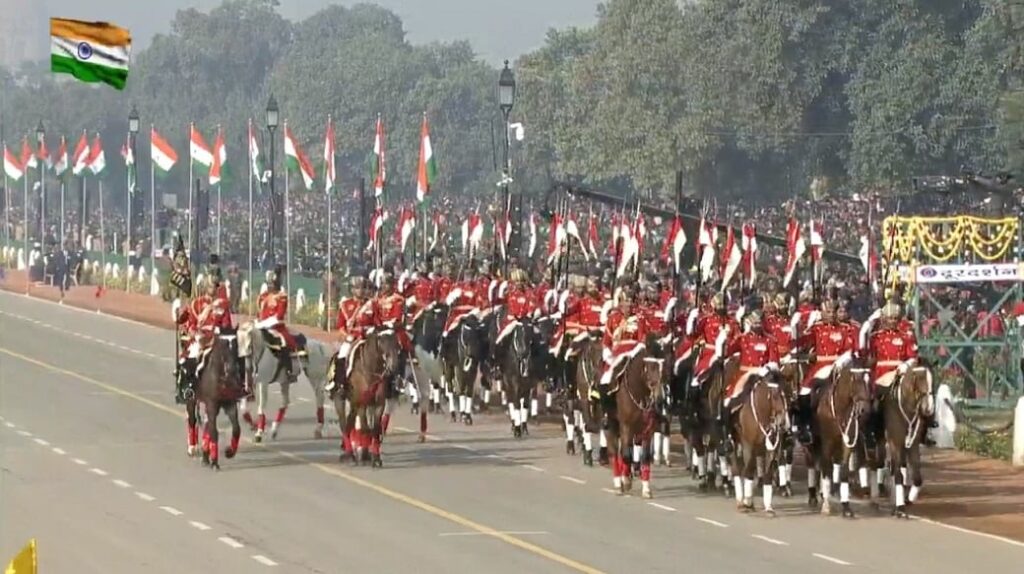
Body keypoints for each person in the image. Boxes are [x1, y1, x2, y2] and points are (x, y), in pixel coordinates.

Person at [794, 299, 856, 443]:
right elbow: (802, 341)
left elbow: (849, 350)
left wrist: (840, 362)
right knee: (804, 392)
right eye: (828, 312)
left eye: (834, 312)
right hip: (821, 365)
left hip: (840, 365)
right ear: (822, 313)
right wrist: (797, 326)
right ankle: (806, 426)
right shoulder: (817, 328)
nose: (832, 315)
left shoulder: (845, 328)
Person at [719, 311, 780, 450]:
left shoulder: (769, 339)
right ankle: (727, 435)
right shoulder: (743, 338)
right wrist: (724, 339)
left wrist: (768, 367)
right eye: (755, 322)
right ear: (750, 323)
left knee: (780, 397)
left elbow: (775, 360)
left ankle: (785, 430)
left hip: (764, 374)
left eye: (759, 322)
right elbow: (727, 352)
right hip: (745, 373)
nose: (757, 325)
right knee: (728, 401)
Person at [326, 277, 379, 395]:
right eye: (358, 288)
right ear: (352, 290)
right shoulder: (345, 304)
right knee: (342, 354)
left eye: (363, 287)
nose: (361, 290)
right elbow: (340, 326)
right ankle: (338, 383)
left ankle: (390, 384)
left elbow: (376, 323)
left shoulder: (371, 304)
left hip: (368, 337)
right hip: (352, 338)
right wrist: (347, 335)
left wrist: (370, 330)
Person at [255, 264, 306, 382]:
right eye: (268, 284)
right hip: (261, 325)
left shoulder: (282, 297)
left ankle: (288, 371)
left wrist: (263, 324)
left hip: (276, 327)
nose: (269, 286)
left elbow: (278, 316)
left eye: (271, 284)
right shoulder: (262, 297)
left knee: (284, 342)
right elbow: (260, 313)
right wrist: (258, 322)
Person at [600, 286, 650, 395]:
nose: (628, 305)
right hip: (615, 354)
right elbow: (606, 341)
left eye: (631, 301)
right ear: (621, 303)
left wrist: (634, 353)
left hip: (633, 353)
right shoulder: (613, 318)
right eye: (626, 301)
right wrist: (607, 354)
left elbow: (642, 340)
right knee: (605, 379)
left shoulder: (639, 318)